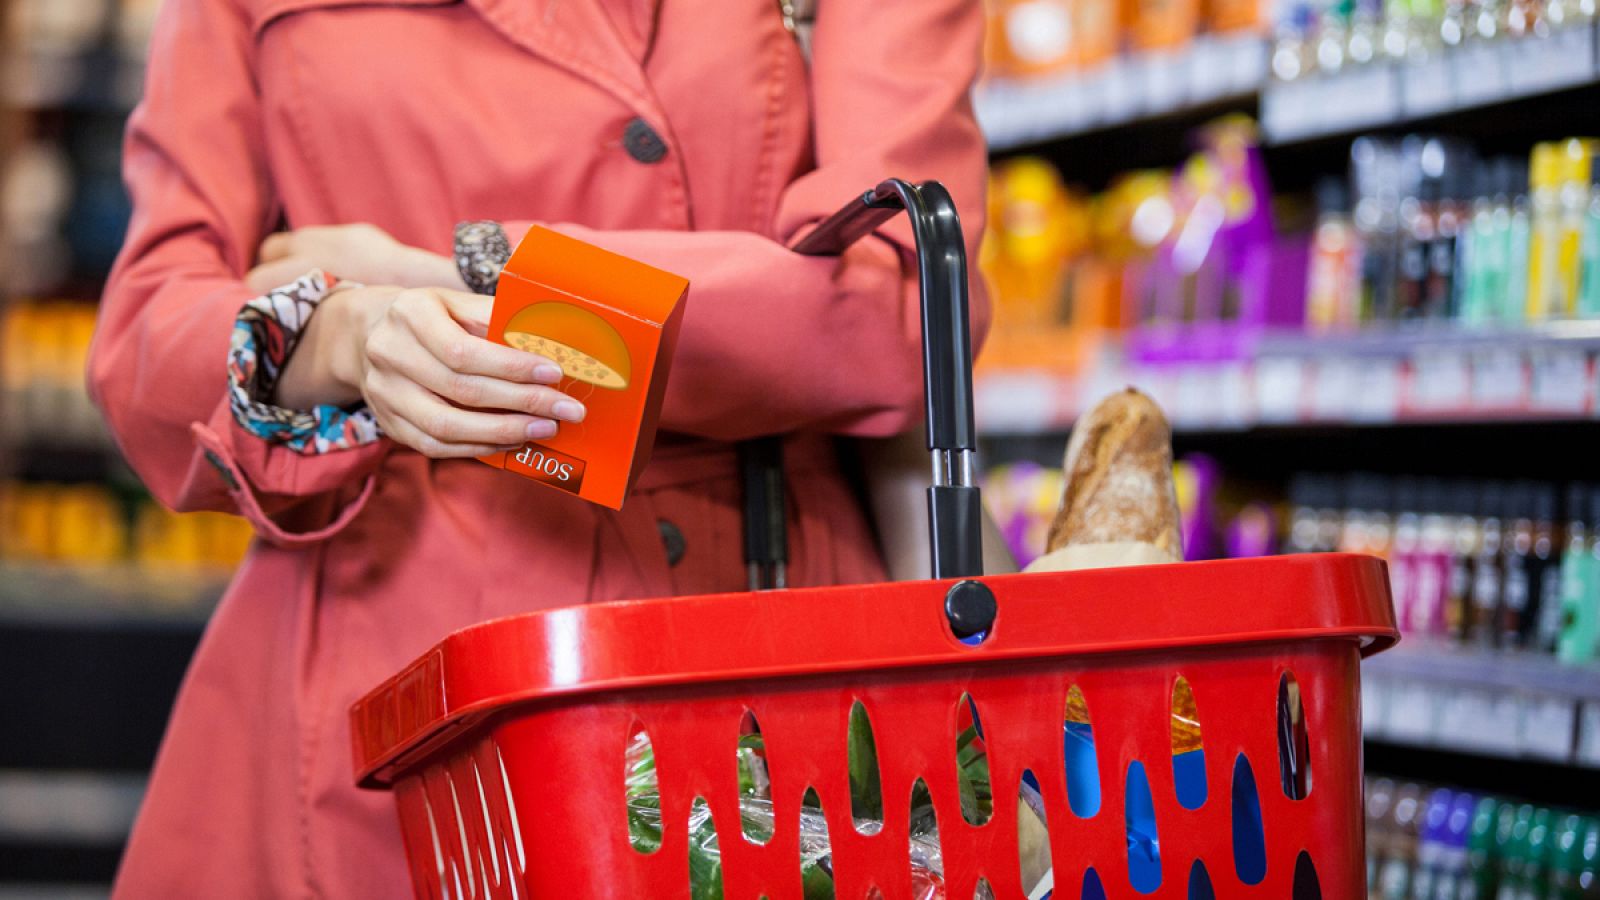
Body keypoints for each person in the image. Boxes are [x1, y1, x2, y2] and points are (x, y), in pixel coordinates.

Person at [89, 0, 989, 894]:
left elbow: (908, 308)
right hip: (399, 660)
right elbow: (147, 342)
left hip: (751, 629)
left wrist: (466, 273)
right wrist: (339, 336)